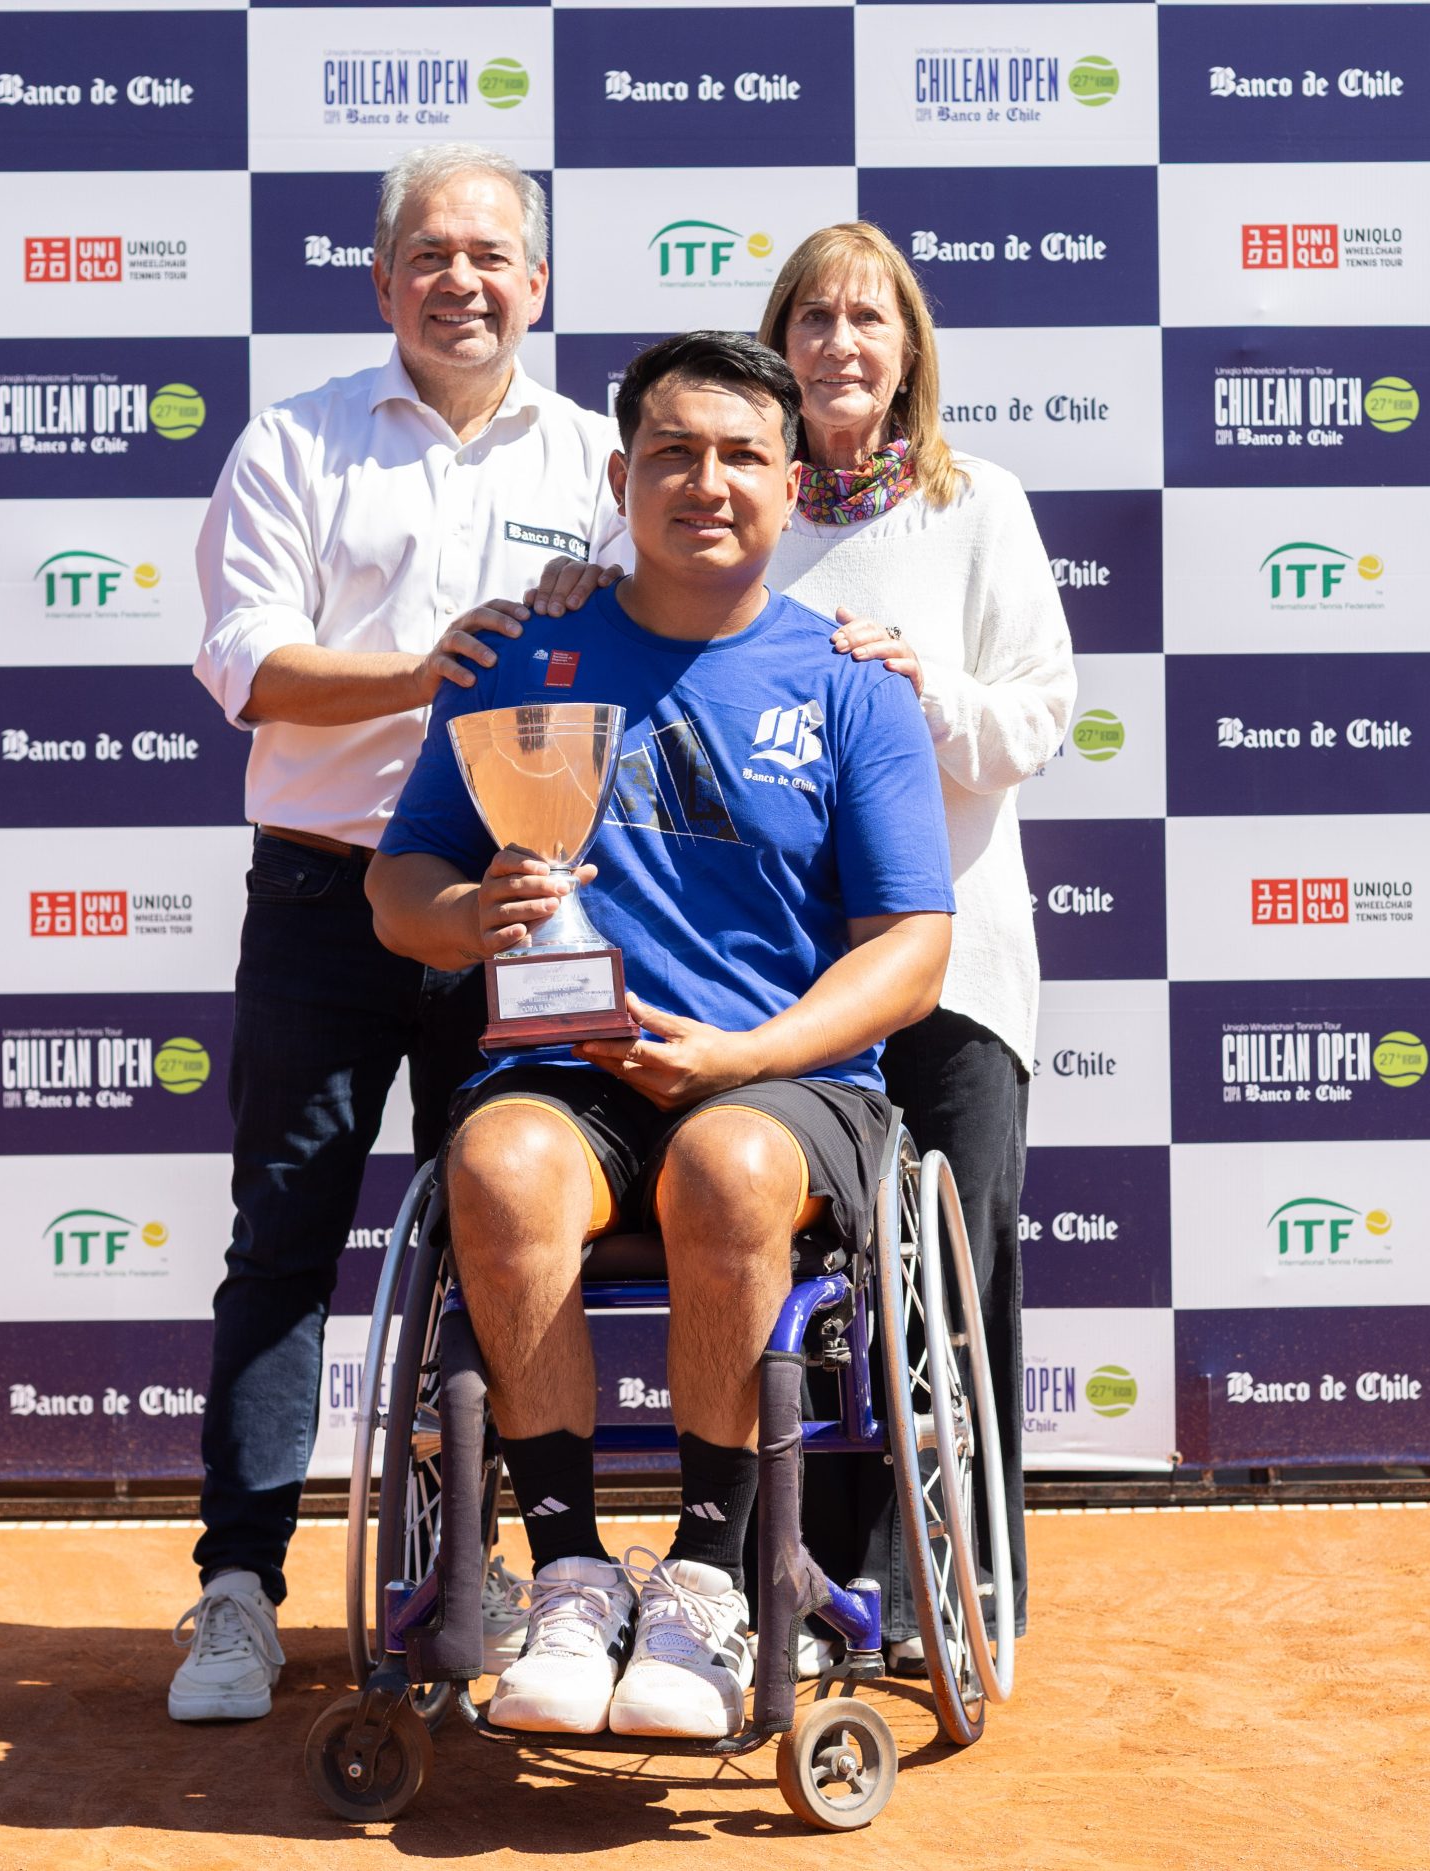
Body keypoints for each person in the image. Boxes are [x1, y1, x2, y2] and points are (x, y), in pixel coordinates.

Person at [367, 331, 955, 1739]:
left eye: (743, 455)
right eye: (674, 455)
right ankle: (569, 1571)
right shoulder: (530, 655)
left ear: (792, 482)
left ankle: (704, 1578)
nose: (708, 483)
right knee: (497, 1167)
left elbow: (914, 949)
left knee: (731, 1170)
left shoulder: (853, 681)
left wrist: (745, 1059)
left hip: (788, 1082)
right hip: (565, 1072)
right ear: (622, 476)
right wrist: (473, 913)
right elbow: (397, 889)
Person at [535, 223, 1073, 1652]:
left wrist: (922, 689)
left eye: (872, 318)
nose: (844, 342)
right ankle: (808, 1582)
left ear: (911, 352)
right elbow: (607, 625)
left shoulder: (979, 506)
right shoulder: (728, 492)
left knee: (948, 1288)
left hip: (936, 961)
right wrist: (559, 593)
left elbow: (1039, 719)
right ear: (781, 347)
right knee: (816, 1295)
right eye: (816, 318)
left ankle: (953, 1588)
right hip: (761, 967)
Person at [170, 143, 628, 1724]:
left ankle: (478, 1568)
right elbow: (247, 666)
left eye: (492, 255)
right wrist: (422, 670)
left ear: (539, 284)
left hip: (510, 905)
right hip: (323, 894)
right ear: (383, 283)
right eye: (430, 255)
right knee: (284, 1249)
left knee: (505, 1249)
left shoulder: (597, 461)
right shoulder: (297, 444)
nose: (463, 280)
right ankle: (235, 1591)